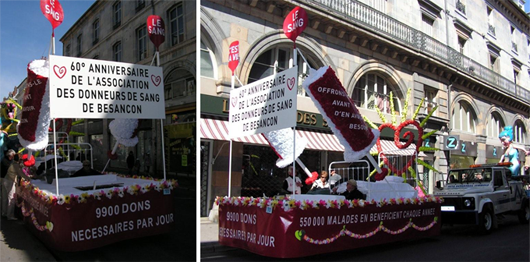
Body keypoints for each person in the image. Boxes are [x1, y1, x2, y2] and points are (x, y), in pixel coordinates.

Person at [2, 152, 31, 220]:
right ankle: (10, 215)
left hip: (5, 179)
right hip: (10, 182)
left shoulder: (12, 163)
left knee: (4, 198)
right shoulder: (16, 165)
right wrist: (29, 178)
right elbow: (21, 174)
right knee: (11, 198)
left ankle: (4, 212)